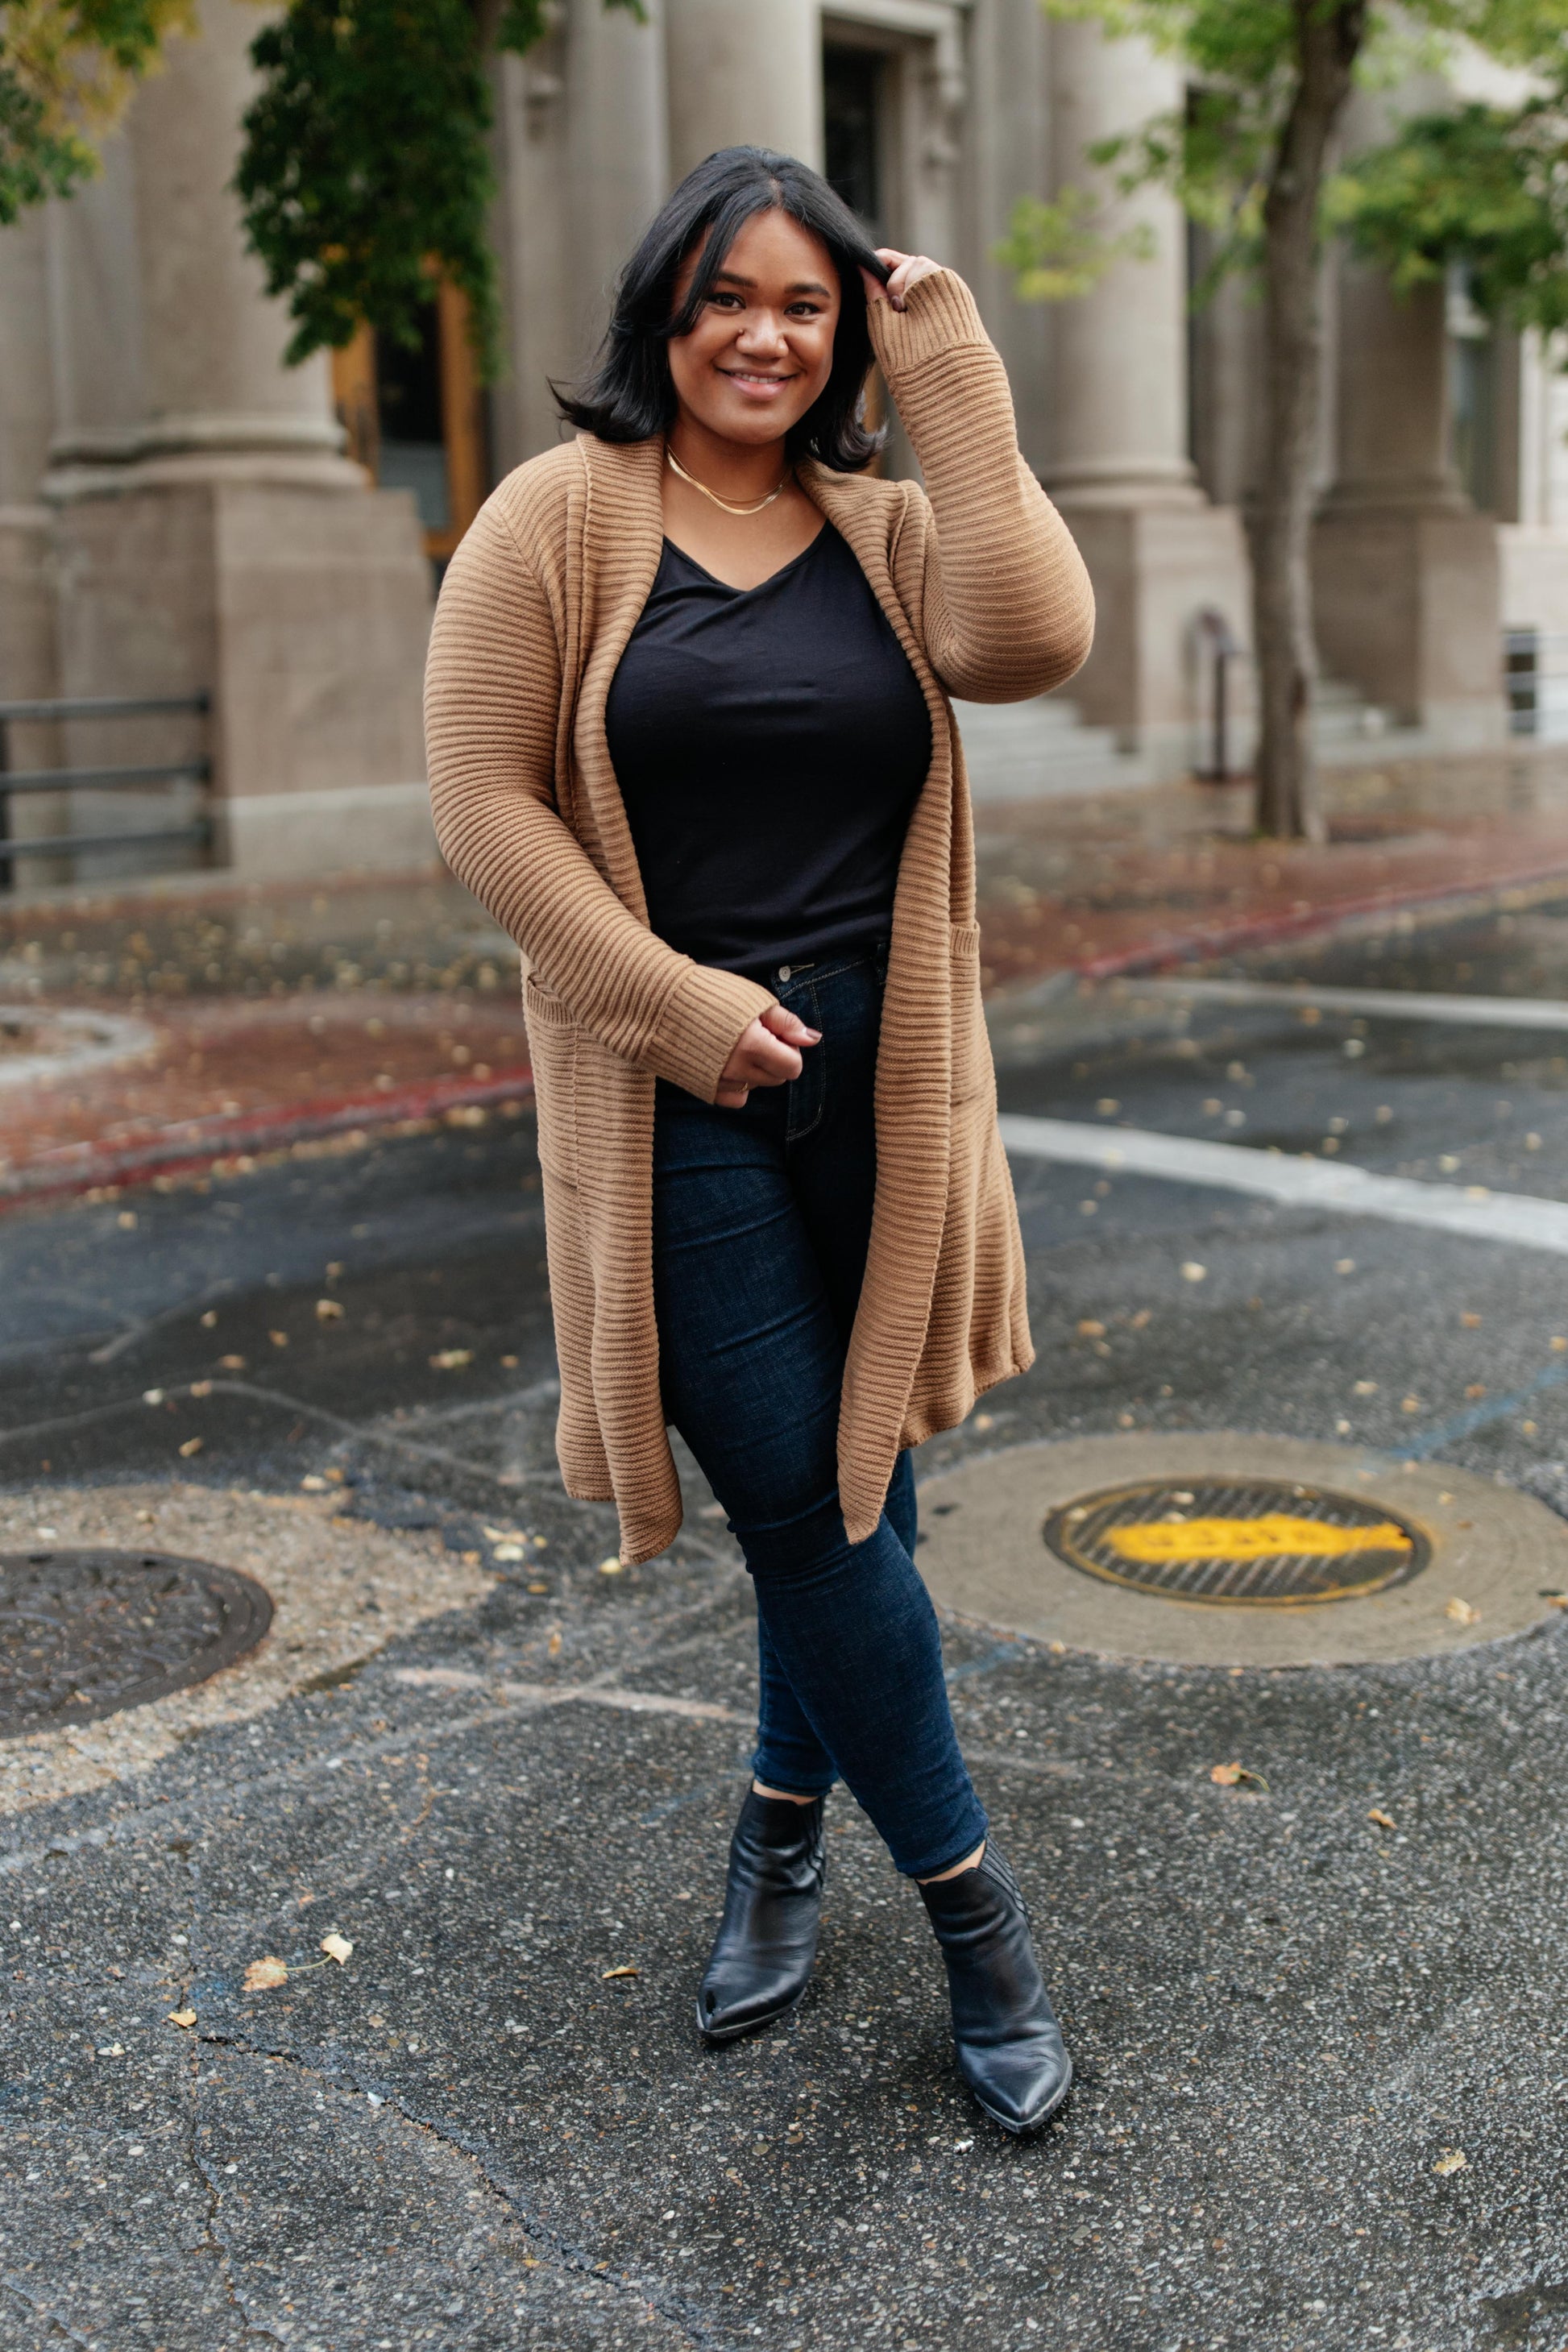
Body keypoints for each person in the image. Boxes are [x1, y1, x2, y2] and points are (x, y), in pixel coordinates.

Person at [425, 146, 1094, 2136]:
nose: (764, 336)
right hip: (673, 1084)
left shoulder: (889, 531)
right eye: (729, 294)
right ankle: (978, 1923)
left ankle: (777, 1830)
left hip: (889, 1074)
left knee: (858, 1479)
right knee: (804, 1506)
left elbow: (1034, 639)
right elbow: (480, 800)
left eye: (806, 304)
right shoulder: (552, 519)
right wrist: (673, 1003)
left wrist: (945, 366)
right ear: (667, 305)